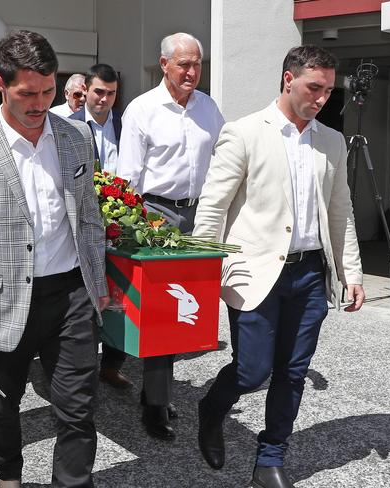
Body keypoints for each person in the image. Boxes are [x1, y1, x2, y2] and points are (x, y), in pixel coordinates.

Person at [0, 30, 109, 488]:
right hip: (2, 298)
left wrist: (99, 284)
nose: (39, 103)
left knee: (76, 405)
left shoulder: (76, 140)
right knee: (2, 401)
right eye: (27, 93)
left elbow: (88, 218)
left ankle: (72, 481)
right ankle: (8, 475)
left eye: (49, 91)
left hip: (70, 293)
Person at [193, 45, 365, 488]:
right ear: (288, 79)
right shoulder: (245, 132)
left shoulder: (331, 140)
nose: (323, 98)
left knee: (292, 372)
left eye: (329, 90)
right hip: (255, 273)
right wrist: (205, 271)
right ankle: (212, 408)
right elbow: (213, 207)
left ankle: (270, 459)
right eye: (314, 87)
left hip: (310, 274)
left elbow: (340, 209)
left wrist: (352, 273)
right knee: (252, 371)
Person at [116, 32, 224, 441]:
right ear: (164, 65)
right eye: (184, 64)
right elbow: (128, 177)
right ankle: (155, 404)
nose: (192, 72)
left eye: (197, 64)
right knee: (162, 312)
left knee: (188, 310)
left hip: (199, 216)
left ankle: (155, 391)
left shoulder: (209, 108)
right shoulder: (143, 109)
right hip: (156, 215)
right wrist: (132, 228)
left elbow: (223, 159)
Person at [69, 63, 129, 388]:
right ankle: (83, 370)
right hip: (85, 227)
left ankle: (112, 365)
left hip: (122, 227)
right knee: (88, 297)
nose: (105, 99)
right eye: (99, 92)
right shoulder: (69, 128)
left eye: (111, 93)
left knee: (122, 296)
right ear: (85, 93)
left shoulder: (126, 126)